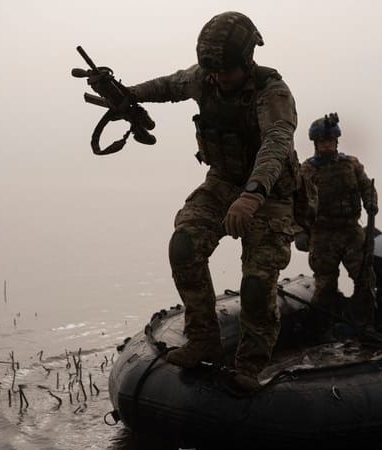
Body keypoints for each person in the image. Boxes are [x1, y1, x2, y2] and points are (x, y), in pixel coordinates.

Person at [126, 11, 299, 391]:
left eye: (228, 71)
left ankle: (250, 365)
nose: (220, 78)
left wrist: (252, 195)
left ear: (248, 61)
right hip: (222, 182)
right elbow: (169, 85)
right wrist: (130, 94)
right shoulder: (205, 77)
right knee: (184, 244)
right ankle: (203, 338)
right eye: (215, 71)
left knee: (256, 284)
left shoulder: (273, 93)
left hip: (270, 195)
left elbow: (275, 144)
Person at [294, 113, 378, 333]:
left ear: (336, 141)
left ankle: (365, 324)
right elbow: (297, 203)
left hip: (351, 230)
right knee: (325, 284)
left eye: (330, 141)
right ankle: (321, 331)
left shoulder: (351, 164)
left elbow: (367, 187)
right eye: (322, 141)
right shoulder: (307, 171)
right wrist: (299, 232)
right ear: (316, 144)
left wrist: (371, 204)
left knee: (364, 278)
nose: (327, 145)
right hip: (322, 235)